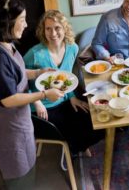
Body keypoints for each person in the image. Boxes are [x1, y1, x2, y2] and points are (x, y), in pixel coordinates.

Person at [0, 0, 63, 183]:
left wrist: (38, 72)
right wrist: (44, 94)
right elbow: (8, 99)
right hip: (8, 128)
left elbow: (17, 73)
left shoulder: (7, 44)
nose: (26, 24)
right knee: (18, 176)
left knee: (28, 168)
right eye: (22, 19)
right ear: (8, 21)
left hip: (21, 122)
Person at [24, 10, 104, 155]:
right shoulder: (35, 54)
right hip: (43, 108)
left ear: (64, 28)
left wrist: (72, 96)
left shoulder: (72, 48)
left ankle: (78, 146)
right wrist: (37, 102)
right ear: (43, 30)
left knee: (98, 121)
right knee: (76, 131)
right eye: (48, 28)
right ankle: (74, 150)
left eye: (57, 28)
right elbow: (19, 80)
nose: (53, 33)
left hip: (64, 100)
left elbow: (67, 77)